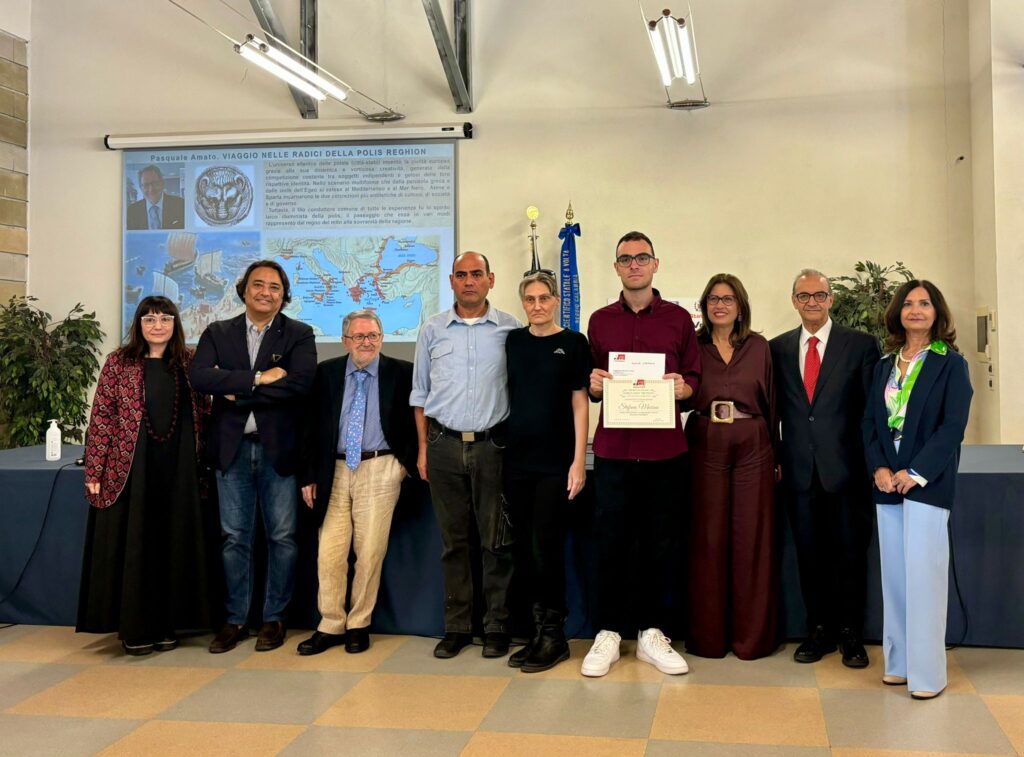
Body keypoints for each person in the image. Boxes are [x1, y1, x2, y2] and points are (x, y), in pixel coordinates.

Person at [582, 230, 700, 678]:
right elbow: (591, 380)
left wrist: (685, 388)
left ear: (655, 264)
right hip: (613, 450)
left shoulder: (678, 320)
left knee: (661, 545)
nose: (634, 265)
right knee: (610, 542)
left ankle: (653, 634)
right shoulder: (599, 320)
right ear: (616, 268)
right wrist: (594, 385)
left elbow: (693, 378)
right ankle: (609, 633)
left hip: (665, 452)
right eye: (625, 259)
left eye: (642, 257)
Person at [78, 296, 219, 655]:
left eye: (165, 318)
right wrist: (95, 467)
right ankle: (135, 628)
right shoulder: (119, 363)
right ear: (139, 324)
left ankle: (166, 623)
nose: (158, 325)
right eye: (150, 319)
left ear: (176, 323)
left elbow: (206, 408)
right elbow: (102, 417)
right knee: (137, 543)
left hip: (179, 471)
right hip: (132, 470)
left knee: (172, 544)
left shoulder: (190, 362)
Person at [190, 260, 316, 654]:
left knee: (282, 537)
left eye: (274, 287)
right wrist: (260, 379)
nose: (266, 292)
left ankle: (274, 618)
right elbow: (200, 378)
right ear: (244, 289)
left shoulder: (298, 333)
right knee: (234, 538)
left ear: (284, 294)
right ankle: (235, 619)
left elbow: (300, 386)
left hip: (279, 450)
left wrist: (233, 387)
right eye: (258, 285)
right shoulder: (218, 331)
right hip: (232, 451)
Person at [863, 280, 971, 699]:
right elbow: (870, 423)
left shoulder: (950, 363)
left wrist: (917, 471)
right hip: (887, 483)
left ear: (937, 312)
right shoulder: (884, 365)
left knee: (924, 579)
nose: (916, 310)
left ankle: (928, 675)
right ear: (897, 313)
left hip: (926, 484)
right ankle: (900, 663)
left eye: (924, 303)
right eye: (908, 303)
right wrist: (880, 467)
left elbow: (952, 428)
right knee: (896, 579)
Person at [410, 251, 520, 659]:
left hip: (493, 446)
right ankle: (457, 627)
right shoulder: (432, 330)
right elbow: (420, 394)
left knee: (496, 543)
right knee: (454, 542)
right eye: (461, 275)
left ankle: (496, 627)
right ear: (451, 281)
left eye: (477, 274)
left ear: (491, 279)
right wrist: (423, 448)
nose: (469, 281)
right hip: (442, 446)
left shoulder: (511, 329)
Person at [769, 269, 879, 667]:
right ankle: (820, 631)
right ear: (794, 301)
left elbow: (872, 413)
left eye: (819, 295)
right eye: (803, 296)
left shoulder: (860, 345)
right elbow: (775, 410)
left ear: (831, 299)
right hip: (799, 473)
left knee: (850, 556)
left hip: (847, 472)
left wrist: (873, 463)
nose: (811, 302)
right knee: (809, 557)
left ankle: (851, 634)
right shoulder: (777, 349)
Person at [297, 309, 417, 655]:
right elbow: (309, 427)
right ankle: (331, 624)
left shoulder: (402, 373)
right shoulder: (326, 374)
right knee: (330, 552)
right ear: (346, 340)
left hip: (380, 468)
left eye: (373, 336)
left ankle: (359, 624)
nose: (367, 343)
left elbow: (417, 421)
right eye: (359, 336)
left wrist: (402, 465)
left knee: (369, 551)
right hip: (331, 471)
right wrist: (308, 475)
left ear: (381, 338)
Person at [687, 274, 779, 660]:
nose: (720, 305)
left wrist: (778, 456)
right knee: (708, 538)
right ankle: (708, 638)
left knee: (751, 538)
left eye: (727, 299)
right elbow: (677, 393)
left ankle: (751, 638)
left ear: (740, 305)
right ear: (704, 305)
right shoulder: (692, 345)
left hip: (753, 442)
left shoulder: (759, 347)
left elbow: (773, 401)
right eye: (712, 299)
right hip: (706, 440)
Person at [504, 271, 590, 673]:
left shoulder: (573, 344)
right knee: (525, 550)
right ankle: (537, 633)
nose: (537, 305)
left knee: (547, 548)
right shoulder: (514, 342)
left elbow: (579, 403)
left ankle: (555, 637)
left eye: (544, 298)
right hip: (517, 462)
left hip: (557, 465)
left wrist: (577, 462)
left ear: (556, 301)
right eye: (530, 299)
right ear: (523, 303)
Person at [126, 165, 185, 230]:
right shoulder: (132, 211)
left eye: (154, 183)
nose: (151, 189)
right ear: (141, 188)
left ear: (162, 183)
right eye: (146, 185)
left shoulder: (181, 205)